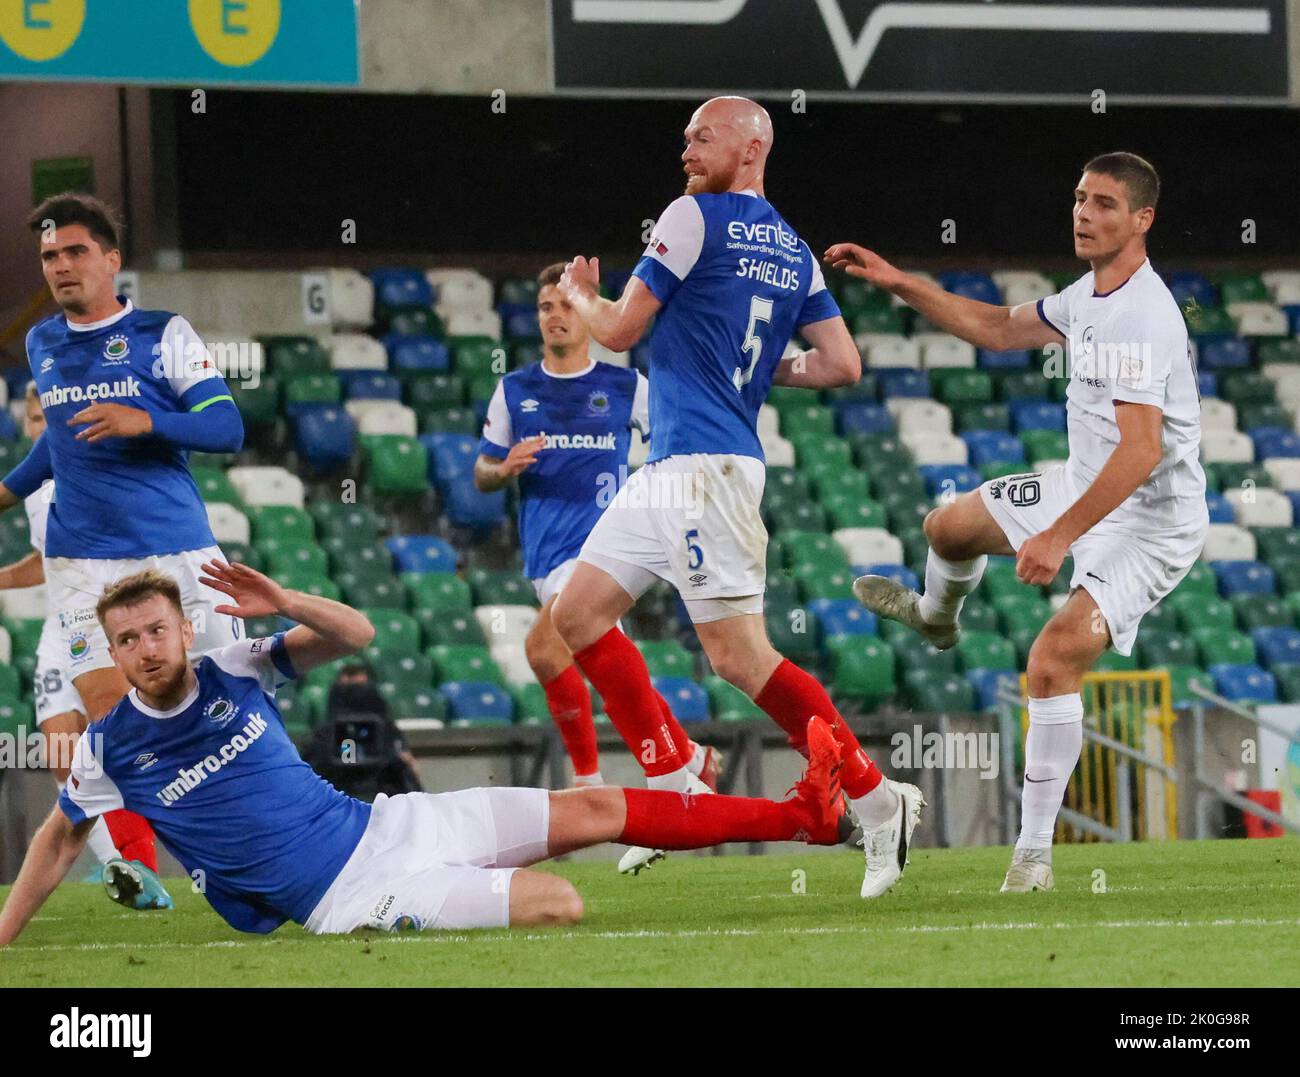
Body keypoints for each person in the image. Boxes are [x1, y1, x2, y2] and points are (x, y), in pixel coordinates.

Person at [0, 562, 846, 942]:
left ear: (183, 628)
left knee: (595, 808)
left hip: (389, 823)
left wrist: (284, 599)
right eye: (127, 639)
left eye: (155, 628)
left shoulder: (235, 666)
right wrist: (5, 934)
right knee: (561, 905)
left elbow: (357, 633)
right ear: (111, 654)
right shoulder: (110, 748)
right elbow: (59, 838)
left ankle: (805, 815)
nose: (145, 647)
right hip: (353, 897)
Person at [551, 96, 924, 899]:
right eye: (686, 134)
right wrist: (756, 372)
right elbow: (843, 365)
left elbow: (616, 333)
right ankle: (682, 770)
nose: (687, 144)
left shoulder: (692, 217)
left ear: (752, 146)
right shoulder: (794, 249)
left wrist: (580, 294)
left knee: (740, 659)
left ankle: (876, 796)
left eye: (703, 133)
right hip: (675, 466)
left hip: (706, 470)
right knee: (575, 617)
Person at [827, 152, 1207, 891]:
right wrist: (901, 281)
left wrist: (1058, 536)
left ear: (1141, 219)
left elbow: (1142, 449)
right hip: (1087, 483)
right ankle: (937, 618)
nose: (1083, 214)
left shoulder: (1142, 314)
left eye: (1102, 203)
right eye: (1078, 198)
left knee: (1051, 659)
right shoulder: (1092, 294)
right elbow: (1001, 328)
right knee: (947, 529)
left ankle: (1032, 856)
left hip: (1151, 521)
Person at [0, 193, 245, 904]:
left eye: (75, 251)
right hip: (82, 565)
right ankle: (141, 874)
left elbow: (225, 426)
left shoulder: (162, 333)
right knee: (114, 722)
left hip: (177, 550)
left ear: (111, 259)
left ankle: (255, 848)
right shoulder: (43, 343)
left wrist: (146, 420)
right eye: (49, 255)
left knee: (224, 707)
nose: (61, 266)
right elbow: (57, 444)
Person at [475, 261, 719, 874]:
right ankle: (687, 760)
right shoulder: (513, 390)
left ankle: (595, 780)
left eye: (565, 305)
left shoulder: (626, 385)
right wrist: (502, 469)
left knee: (544, 651)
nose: (555, 316)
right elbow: (480, 472)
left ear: (587, 311)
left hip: (605, 549)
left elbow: (674, 438)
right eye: (544, 307)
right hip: (546, 555)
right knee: (596, 664)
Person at [0, 385, 121, 878]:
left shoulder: (87, 477)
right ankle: (118, 863)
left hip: (105, 623)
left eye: (48, 420)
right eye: (32, 420)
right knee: (59, 753)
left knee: (117, 746)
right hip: (59, 627)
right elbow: (45, 561)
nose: (40, 429)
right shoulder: (29, 489)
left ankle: (139, 852)